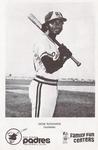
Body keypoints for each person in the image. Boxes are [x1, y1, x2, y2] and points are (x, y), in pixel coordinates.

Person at [29, 11, 72, 117]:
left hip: (52, 86)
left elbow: (55, 65)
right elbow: (50, 67)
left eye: (61, 22)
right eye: (55, 22)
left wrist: (63, 56)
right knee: (39, 122)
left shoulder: (53, 44)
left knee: (47, 121)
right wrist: (63, 56)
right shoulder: (42, 41)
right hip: (42, 85)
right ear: (47, 24)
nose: (59, 25)